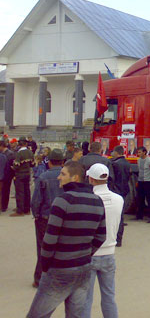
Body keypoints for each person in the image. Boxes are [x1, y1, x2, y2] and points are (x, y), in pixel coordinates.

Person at [26, 161, 106, 318]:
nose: (58, 177)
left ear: (75, 178)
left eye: (63, 174)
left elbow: (49, 240)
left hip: (60, 268)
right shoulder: (97, 201)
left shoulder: (63, 200)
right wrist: (86, 254)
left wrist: (46, 265)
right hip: (83, 268)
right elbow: (101, 236)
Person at [83, 163, 123, 318]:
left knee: (86, 299)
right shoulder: (118, 199)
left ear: (91, 179)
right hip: (109, 253)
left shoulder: (88, 200)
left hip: (90, 254)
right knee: (109, 297)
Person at [30, 149, 65, 288]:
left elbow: (36, 201)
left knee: (43, 248)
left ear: (49, 162)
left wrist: (36, 215)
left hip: (45, 218)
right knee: (60, 248)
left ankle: (40, 278)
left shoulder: (43, 177)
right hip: (62, 218)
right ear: (62, 162)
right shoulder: (67, 176)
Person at [111, 145, 131, 246]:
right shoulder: (127, 164)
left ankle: (114, 238)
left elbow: (112, 179)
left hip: (115, 191)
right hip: (124, 191)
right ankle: (119, 239)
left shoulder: (114, 164)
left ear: (116, 152)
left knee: (114, 216)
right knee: (121, 216)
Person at [10, 136, 34, 217]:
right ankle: (27, 209)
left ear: (19, 143)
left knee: (20, 193)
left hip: (19, 175)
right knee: (27, 191)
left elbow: (16, 165)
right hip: (27, 174)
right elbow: (32, 164)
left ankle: (20, 210)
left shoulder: (19, 153)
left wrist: (12, 167)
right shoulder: (30, 152)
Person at [135, 146, 150, 223]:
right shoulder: (139, 160)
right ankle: (139, 215)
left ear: (144, 152)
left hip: (148, 181)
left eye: (140, 152)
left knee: (149, 199)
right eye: (138, 152)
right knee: (140, 198)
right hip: (141, 181)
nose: (138, 154)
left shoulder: (149, 160)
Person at [0, 140, 15, 212]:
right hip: (4, 175)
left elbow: (11, 166)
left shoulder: (10, 154)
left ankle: (4, 206)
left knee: (5, 191)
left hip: (7, 176)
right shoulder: (4, 153)